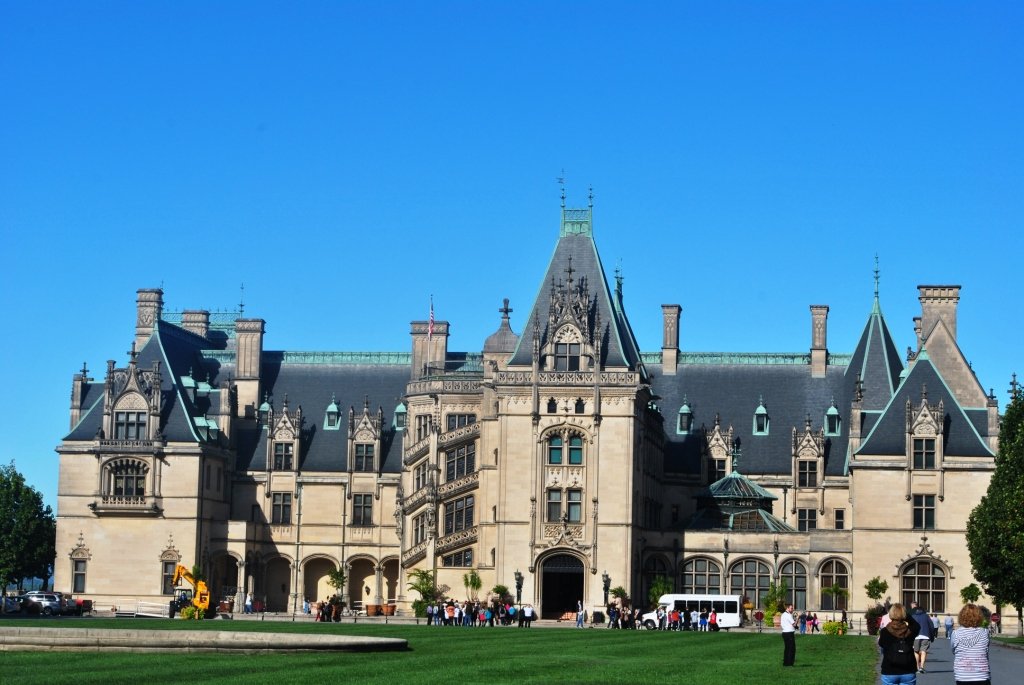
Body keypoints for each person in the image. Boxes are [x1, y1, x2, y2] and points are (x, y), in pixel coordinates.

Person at [878, 603, 921, 685]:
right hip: (908, 669)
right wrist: (905, 615)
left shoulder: (884, 632)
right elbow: (916, 625)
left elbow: (881, 644)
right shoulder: (910, 631)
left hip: (889, 669)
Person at [951, 604, 990, 685]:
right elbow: (986, 650)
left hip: (962, 675)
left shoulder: (956, 633)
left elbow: (953, 650)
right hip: (981, 675)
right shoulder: (985, 632)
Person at [909, 601, 934, 673]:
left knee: (916, 651)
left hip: (916, 636)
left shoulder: (912, 616)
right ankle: (922, 667)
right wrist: (931, 636)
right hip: (925, 635)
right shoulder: (926, 616)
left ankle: (917, 667)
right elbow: (931, 626)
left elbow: (910, 627)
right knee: (924, 651)